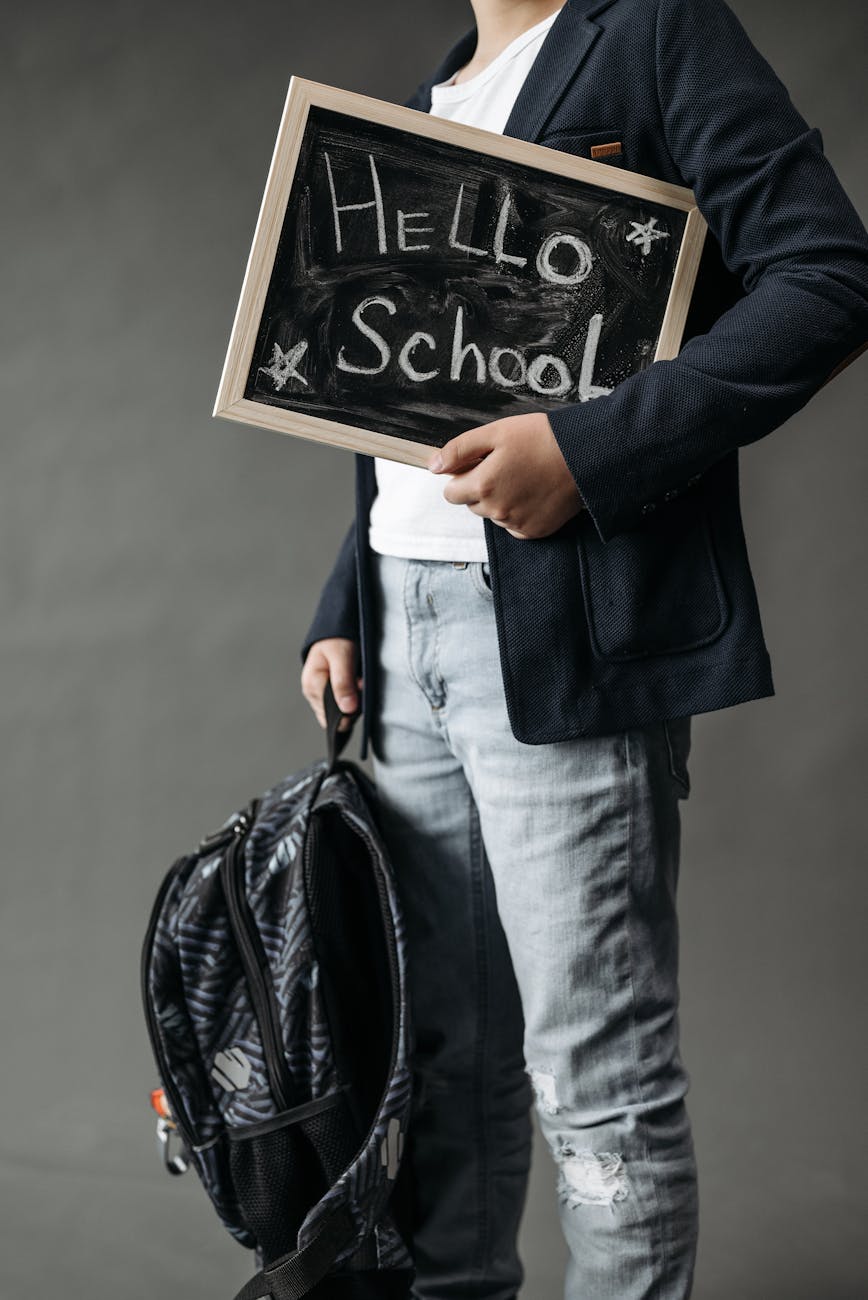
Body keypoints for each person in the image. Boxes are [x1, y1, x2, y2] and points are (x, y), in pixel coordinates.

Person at [300, 1, 868, 1296]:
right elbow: (406, 398)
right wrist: (345, 597)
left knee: (595, 1090)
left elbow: (832, 275)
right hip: (399, 642)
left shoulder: (656, 30)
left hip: (553, 644)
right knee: (439, 1061)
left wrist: (587, 452)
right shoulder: (440, 91)